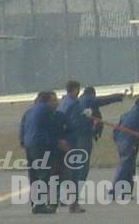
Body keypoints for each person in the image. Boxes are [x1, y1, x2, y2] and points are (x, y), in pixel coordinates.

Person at [19, 91, 68, 214]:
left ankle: (35, 202)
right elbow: (51, 130)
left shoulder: (29, 111)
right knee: (44, 174)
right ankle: (40, 204)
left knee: (34, 175)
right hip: (41, 145)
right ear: (47, 101)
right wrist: (58, 142)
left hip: (29, 145)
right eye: (54, 100)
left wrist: (23, 142)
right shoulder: (47, 111)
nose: (56, 103)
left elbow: (22, 128)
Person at [75, 87, 125, 187]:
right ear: (92, 94)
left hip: (78, 135)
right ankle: (76, 188)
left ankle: (73, 188)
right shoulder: (88, 99)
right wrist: (120, 96)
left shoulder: (80, 101)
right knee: (83, 163)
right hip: (84, 135)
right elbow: (105, 100)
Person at [57, 80, 85, 213]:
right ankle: (74, 204)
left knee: (63, 173)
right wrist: (86, 119)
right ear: (75, 89)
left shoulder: (63, 102)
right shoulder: (74, 104)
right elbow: (75, 124)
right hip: (71, 141)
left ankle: (62, 198)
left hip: (61, 140)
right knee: (74, 173)